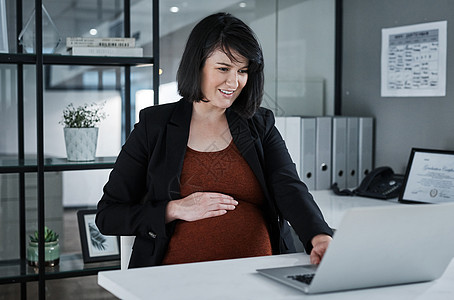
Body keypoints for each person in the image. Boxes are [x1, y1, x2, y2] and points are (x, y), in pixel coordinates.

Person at [96, 12, 333, 269]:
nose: (234, 82)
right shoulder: (154, 126)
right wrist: (174, 209)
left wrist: (318, 235)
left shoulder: (259, 123)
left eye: (243, 70)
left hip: (260, 276)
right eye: (223, 68)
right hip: (174, 280)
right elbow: (109, 215)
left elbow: (289, 189)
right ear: (196, 65)